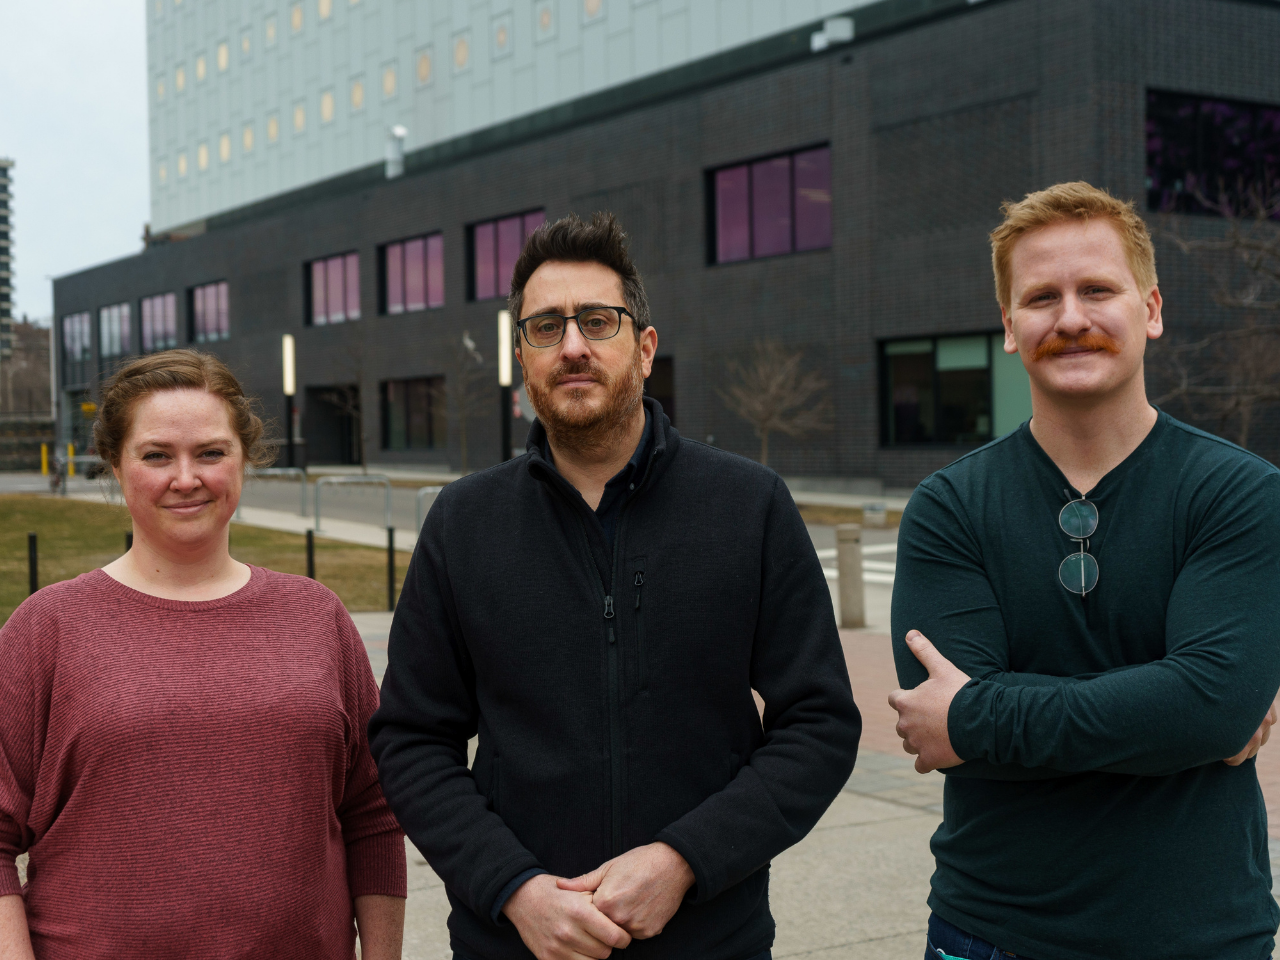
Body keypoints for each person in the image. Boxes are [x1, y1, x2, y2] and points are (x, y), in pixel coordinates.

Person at [370, 212, 861, 960]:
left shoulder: (748, 506)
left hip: (709, 941)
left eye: (597, 321)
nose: (572, 346)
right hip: (512, 944)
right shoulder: (463, 523)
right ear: (523, 357)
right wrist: (515, 889)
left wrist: (685, 860)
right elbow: (411, 740)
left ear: (645, 346)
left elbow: (820, 724)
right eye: (545, 327)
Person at [888, 181, 1280, 960]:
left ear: (1152, 310)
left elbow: (1209, 709)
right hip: (993, 932)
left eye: (1097, 289)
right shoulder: (948, 508)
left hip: (1201, 934)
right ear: (1008, 326)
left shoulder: (1241, 492)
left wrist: (977, 718)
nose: (1070, 319)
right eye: (1041, 298)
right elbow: (1197, 710)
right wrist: (1171, 710)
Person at [0, 350, 407, 959]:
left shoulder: (316, 617)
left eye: (211, 453)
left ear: (246, 461)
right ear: (115, 465)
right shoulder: (48, 628)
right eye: (156, 455)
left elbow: (373, 816)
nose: (185, 478)